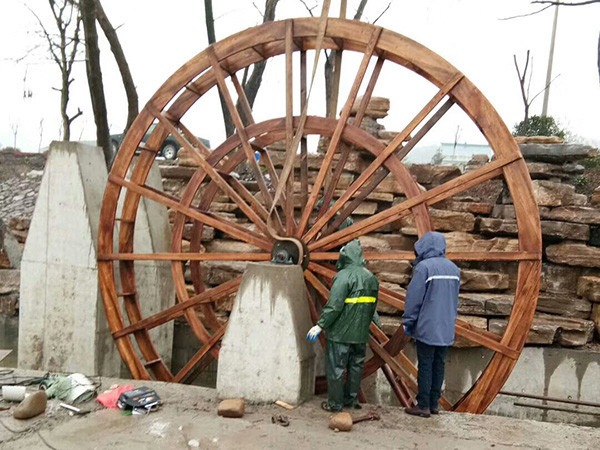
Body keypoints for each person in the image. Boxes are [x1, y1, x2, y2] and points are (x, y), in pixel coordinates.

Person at [306, 239, 380, 412]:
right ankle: (352, 400)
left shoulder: (343, 276)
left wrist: (319, 325)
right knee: (356, 368)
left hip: (340, 334)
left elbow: (334, 306)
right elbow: (372, 307)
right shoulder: (371, 278)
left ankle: (335, 404)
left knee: (337, 369)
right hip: (360, 334)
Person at [403, 231, 460, 418]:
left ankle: (423, 405)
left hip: (428, 325)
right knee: (439, 364)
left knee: (425, 364)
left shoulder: (424, 268)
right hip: (446, 326)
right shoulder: (454, 269)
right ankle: (434, 404)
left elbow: (414, 299)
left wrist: (408, 321)